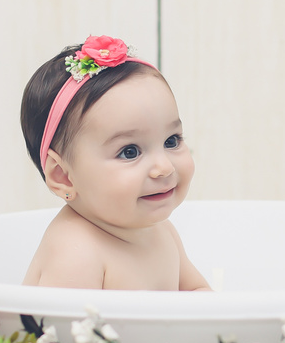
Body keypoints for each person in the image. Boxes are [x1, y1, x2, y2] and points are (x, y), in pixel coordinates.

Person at [19, 35, 210, 291]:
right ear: (63, 176)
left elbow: (198, 292)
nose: (165, 167)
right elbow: (66, 320)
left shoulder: (161, 231)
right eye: (130, 152)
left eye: (171, 141)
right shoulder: (77, 253)